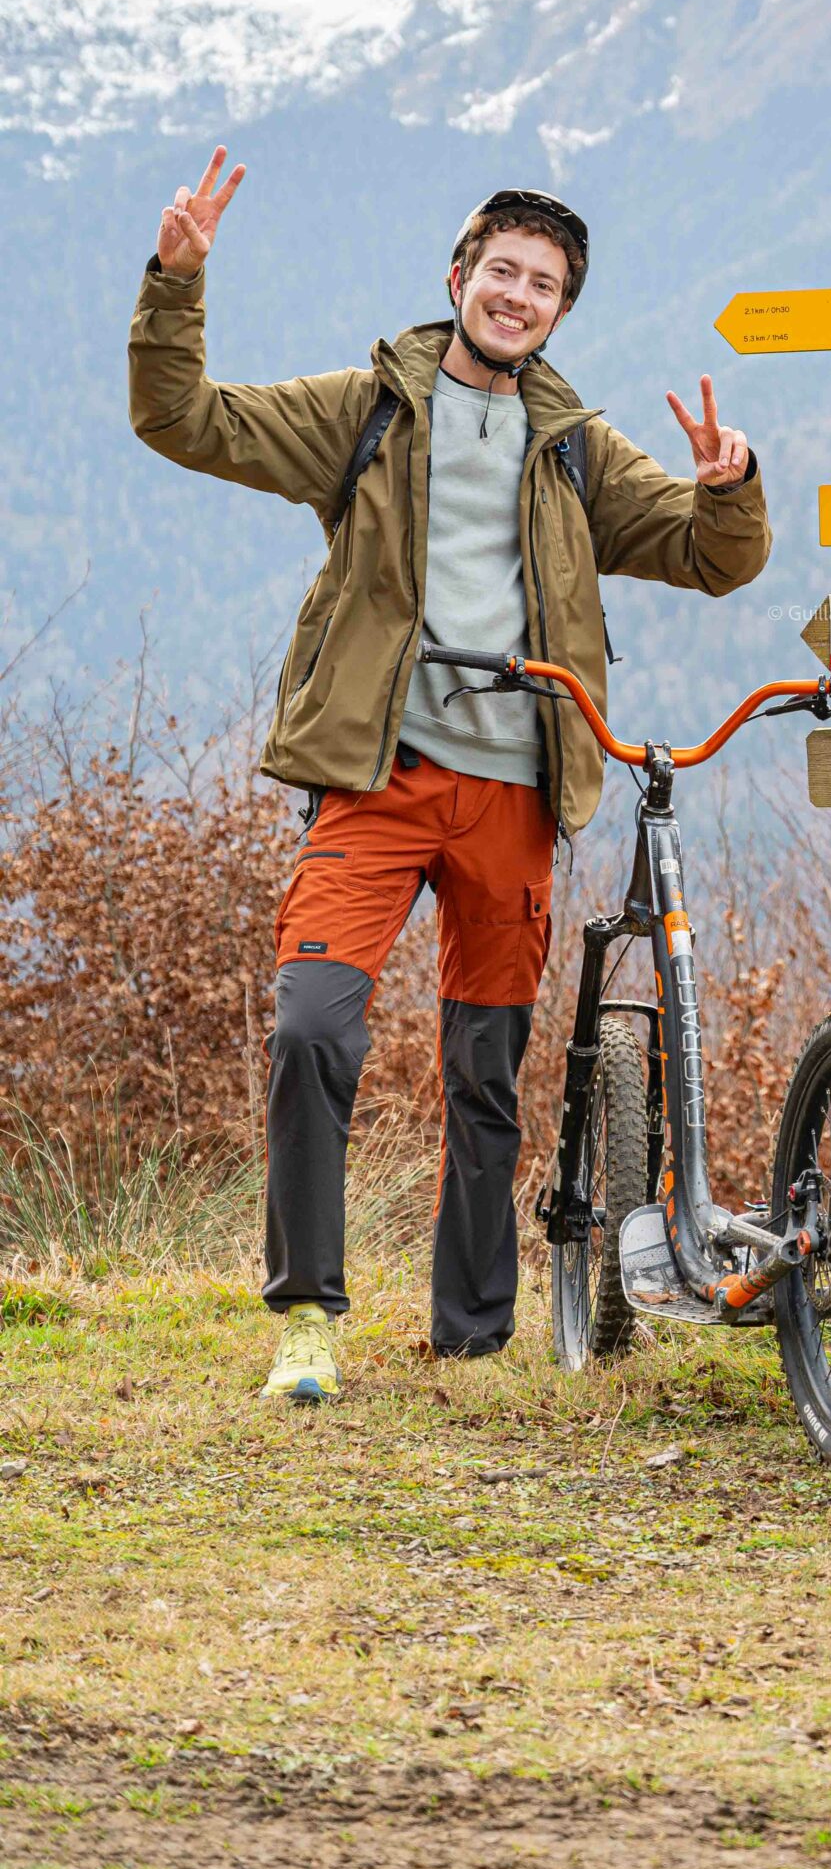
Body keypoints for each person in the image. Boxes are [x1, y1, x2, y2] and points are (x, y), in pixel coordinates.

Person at [129, 148, 770, 1401]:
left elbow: (711, 560)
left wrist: (728, 486)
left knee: (486, 1069)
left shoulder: (577, 449)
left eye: (543, 283)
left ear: (560, 310)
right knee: (312, 1027)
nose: (517, 294)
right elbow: (181, 418)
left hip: (515, 796)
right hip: (378, 778)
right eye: (501, 270)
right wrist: (175, 281)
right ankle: (307, 1315)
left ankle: (471, 1335)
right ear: (458, 275)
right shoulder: (367, 408)